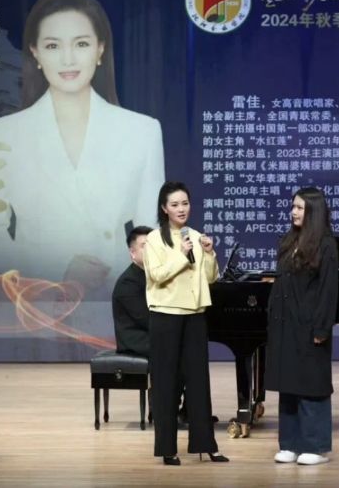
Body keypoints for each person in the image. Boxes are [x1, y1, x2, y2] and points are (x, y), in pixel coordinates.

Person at [0, 0, 165, 297]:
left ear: (100, 49)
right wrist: (59, 269)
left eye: (81, 44)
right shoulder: (2, 134)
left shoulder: (142, 131)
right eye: (53, 45)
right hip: (36, 303)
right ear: (35, 53)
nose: (68, 59)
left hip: (114, 298)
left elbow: (151, 232)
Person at [143, 181, 227, 466]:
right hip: (166, 314)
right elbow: (156, 275)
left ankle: (206, 444)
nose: (181, 209)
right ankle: (168, 448)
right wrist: (181, 254)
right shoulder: (154, 239)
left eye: (185, 203)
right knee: (166, 382)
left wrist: (210, 253)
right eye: (175, 204)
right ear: (164, 208)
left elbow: (211, 278)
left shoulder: (196, 236)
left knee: (199, 381)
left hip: (194, 314)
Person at [265, 186, 339, 466]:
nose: (293, 212)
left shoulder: (326, 245)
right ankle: (289, 444)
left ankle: (314, 446)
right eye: (293, 207)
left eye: (299, 208)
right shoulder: (289, 240)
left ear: (313, 212)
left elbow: (328, 291)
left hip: (309, 325)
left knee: (311, 384)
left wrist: (321, 328)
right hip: (286, 324)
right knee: (288, 383)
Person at [112, 225, 152, 359]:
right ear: (132, 252)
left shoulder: (155, 275)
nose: (150, 250)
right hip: (138, 342)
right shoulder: (128, 282)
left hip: (152, 336)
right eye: (144, 246)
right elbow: (146, 319)